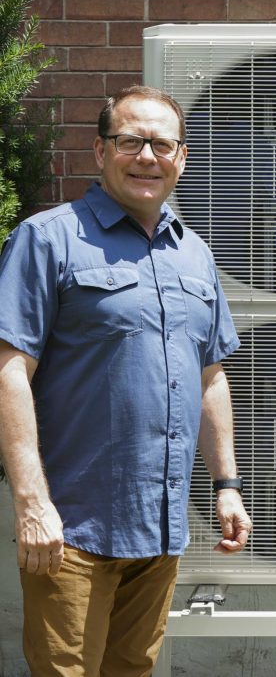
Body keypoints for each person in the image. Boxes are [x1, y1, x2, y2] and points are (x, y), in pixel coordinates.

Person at [0, 85, 252, 676]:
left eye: (162, 143)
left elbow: (211, 375)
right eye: (131, 141)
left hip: (161, 525)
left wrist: (226, 484)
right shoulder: (48, 239)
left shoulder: (195, 255)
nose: (147, 156)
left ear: (182, 157)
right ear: (99, 151)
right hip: (71, 528)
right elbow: (9, 370)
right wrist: (31, 501)